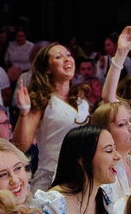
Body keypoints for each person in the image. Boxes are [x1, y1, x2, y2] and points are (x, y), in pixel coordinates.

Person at [14, 41, 87, 193]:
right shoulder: (42, 101)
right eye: (59, 57)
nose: (67, 59)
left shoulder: (81, 101)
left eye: (68, 55)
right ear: (47, 68)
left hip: (83, 176)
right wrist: (23, 112)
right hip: (52, 179)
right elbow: (20, 146)